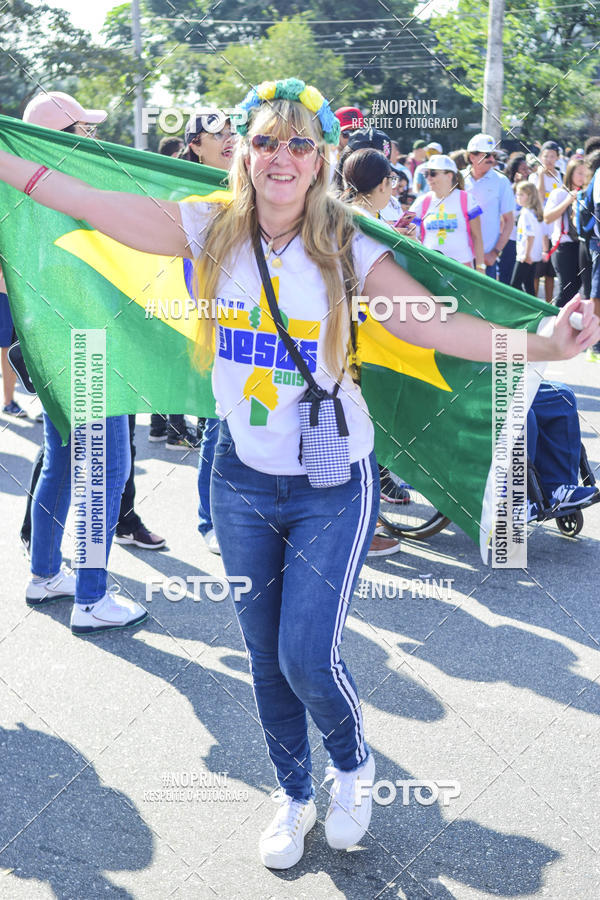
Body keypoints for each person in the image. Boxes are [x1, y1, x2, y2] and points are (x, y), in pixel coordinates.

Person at [1, 77, 597, 869]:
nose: (282, 157)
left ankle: (351, 765)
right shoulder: (207, 227)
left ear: (319, 161)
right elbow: (85, 198)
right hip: (239, 484)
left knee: (305, 656)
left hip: (330, 485)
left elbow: (439, 325)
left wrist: (548, 347)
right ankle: (293, 792)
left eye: (300, 144)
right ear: (246, 153)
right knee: (262, 657)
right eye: (267, 141)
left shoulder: (349, 244)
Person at [17, 90, 147, 635]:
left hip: (51, 347)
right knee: (106, 472)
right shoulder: (70, 196)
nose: (93, 136)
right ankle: (91, 599)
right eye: (83, 129)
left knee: (64, 462)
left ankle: (46, 573)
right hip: (85, 348)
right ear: (63, 138)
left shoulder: (22, 195)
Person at [408, 154, 484, 269]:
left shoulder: (467, 199)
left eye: (433, 173)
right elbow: (410, 234)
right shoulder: (421, 201)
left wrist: (480, 268)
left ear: (449, 176)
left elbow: (477, 237)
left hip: (463, 268)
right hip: (431, 268)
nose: (428, 178)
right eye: (426, 174)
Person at [464, 133, 515, 281]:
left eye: (493, 155)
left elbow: (509, 221)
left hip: (486, 260)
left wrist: (495, 253)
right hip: (459, 258)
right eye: (486, 155)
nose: (492, 159)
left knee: (482, 303)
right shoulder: (458, 179)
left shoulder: (501, 181)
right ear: (472, 157)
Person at [544, 157, 588, 307]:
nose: (583, 177)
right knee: (567, 288)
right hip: (563, 246)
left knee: (578, 289)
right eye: (580, 173)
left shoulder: (588, 194)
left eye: (586, 173)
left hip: (582, 245)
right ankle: (552, 321)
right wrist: (568, 200)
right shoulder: (559, 193)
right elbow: (547, 218)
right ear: (570, 173)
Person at [531, 141, 562, 303]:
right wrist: (542, 176)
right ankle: (536, 303)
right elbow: (540, 198)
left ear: (557, 157)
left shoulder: (561, 176)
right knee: (537, 272)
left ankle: (549, 303)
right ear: (540, 157)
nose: (549, 160)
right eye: (545, 156)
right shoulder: (534, 176)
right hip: (539, 228)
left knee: (551, 273)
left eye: (552, 156)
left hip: (555, 229)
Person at [500, 154, 530, 284]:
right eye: (523, 169)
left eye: (527, 169)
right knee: (506, 272)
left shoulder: (530, 188)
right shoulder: (508, 186)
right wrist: (516, 185)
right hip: (510, 236)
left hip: (524, 237)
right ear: (515, 171)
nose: (526, 172)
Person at [0, 264, 26, 416]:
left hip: (14, 288)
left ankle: (8, 402)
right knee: (9, 344)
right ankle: (8, 402)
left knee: (11, 344)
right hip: (7, 289)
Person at [511, 181, 544, 296]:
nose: (518, 197)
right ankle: (534, 309)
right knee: (529, 284)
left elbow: (530, 235)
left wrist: (527, 254)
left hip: (526, 255)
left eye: (521, 195)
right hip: (532, 255)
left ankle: (525, 307)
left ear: (530, 196)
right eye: (517, 194)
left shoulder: (526, 213)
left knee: (515, 284)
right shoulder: (533, 212)